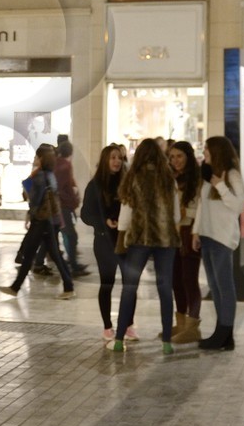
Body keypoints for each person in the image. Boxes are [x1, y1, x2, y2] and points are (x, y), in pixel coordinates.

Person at [112, 139, 179, 353]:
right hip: (165, 239)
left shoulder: (133, 178)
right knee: (165, 289)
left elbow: (125, 215)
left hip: (139, 239)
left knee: (129, 288)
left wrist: (121, 239)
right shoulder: (169, 179)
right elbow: (176, 214)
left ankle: (119, 339)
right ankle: (167, 342)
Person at [0, 144, 75, 300]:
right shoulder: (50, 175)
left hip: (42, 221)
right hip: (49, 220)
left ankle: (68, 286)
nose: (34, 159)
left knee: (38, 254)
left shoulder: (40, 176)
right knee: (45, 254)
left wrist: (30, 212)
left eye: (36, 156)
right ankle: (67, 286)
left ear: (41, 159)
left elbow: (36, 200)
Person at [195, 135, 244, 352]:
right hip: (207, 236)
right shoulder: (207, 175)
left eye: (207, 149)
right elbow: (201, 206)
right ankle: (222, 333)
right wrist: (196, 231)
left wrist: (221, 186)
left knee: (225, 286)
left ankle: (225, 333)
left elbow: (238, 206)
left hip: (222, 238)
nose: (204, 152)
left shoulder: (232, 175)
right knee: (215, 287)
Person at [80, 143, 127, 343]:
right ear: (106, 160)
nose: (117, 161)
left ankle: (128, 324)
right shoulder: (95, 185)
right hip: (104, 240)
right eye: (113, 157)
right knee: (107, 283)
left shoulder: (127, 183)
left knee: (129, 284)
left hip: (126, 240)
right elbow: (85, 214)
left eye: (120, 158)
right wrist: (104, 222)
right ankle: (108, 326)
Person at [167, 141, 204, 344]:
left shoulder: (197, 179)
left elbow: (200, 208)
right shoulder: (171, 178)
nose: (175, 161)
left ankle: (192, 326)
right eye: (172, 157)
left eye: (179, 156)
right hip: (173, 234)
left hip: (190, 233)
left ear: (188, 156)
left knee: (189, 280)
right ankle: (180, 323)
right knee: (176, 280)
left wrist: (182, 213)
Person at [53, 140, 89, 276]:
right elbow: (64, 187)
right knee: (70, 235)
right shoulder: (65, 165)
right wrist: (73, 201)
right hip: (63, 206)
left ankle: (71, 263)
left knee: (63, 235)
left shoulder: (56, 163)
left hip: (58, 206)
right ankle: (73, 265)